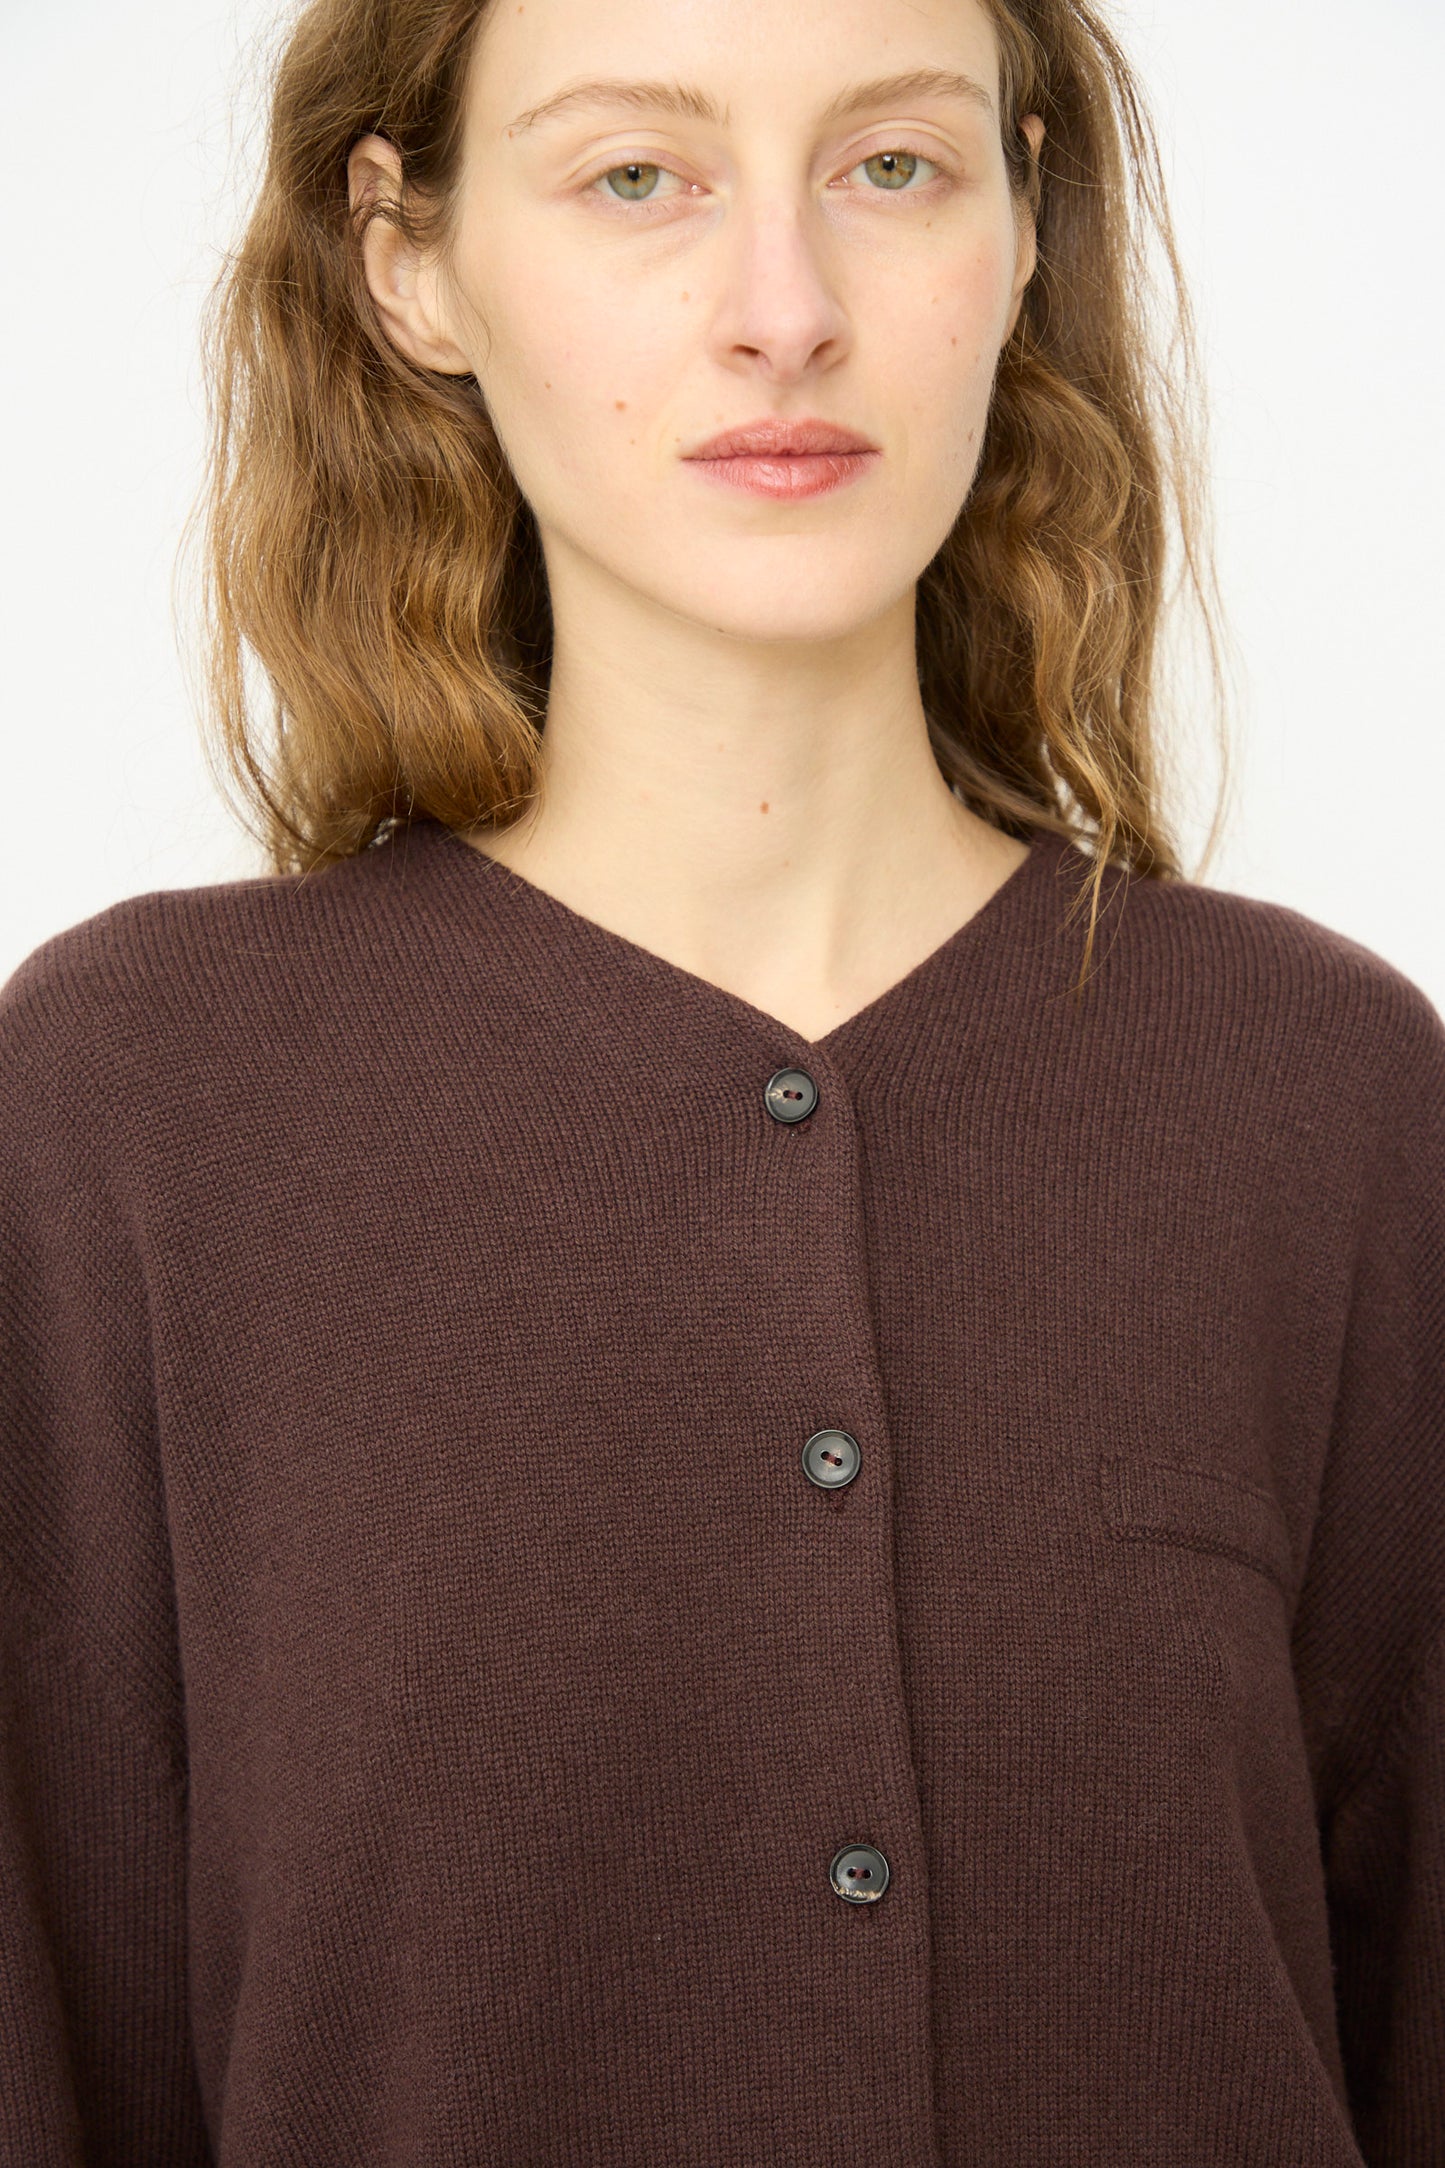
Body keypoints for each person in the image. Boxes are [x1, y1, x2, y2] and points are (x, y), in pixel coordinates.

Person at [2, 0, 1441, 2160]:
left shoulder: (1327, 1101)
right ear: (412, 262)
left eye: (890, 168)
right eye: (637, 176)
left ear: (1020, 222)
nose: (786, 313)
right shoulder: (132, 1111)